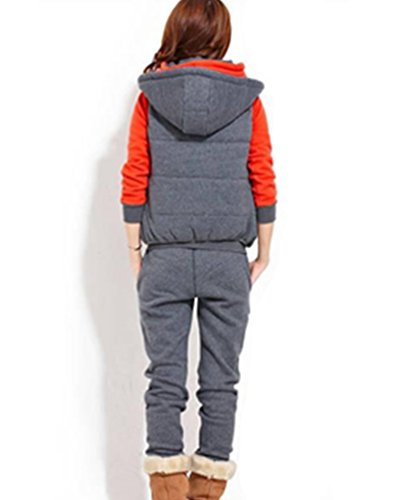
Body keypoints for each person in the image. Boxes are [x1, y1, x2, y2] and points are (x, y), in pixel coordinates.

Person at [120, 1, 277, 498]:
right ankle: (207, 492)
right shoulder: (247, 101)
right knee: (220, 383)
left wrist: (134, 248)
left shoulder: (151, 97)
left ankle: (166, 493)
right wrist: (264, 252)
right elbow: (262, 174)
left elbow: (136, 172)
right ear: (221, 37)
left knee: (164, 380)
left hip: (164, 258)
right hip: (227, 259)